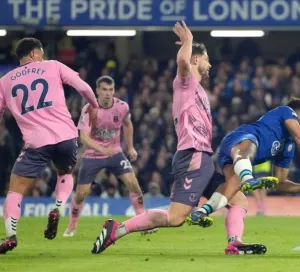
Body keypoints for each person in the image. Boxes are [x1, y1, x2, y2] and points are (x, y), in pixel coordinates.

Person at [90, 21, 265, 255]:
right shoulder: (185, 82)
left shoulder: (198, 89)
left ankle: (234, 242)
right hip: (193, 156)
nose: (210, 64)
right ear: (196, 59)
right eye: (206, 58)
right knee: (175, 218)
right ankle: (117, 230)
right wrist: (189, 41)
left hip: (202, 158)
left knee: (238, 200)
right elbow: (182, 61)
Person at [0, 37, 99, 254]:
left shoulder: (5, 81)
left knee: (15, 189)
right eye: (41, 53)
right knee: (65, 172)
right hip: (66, 136)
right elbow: (83, 87)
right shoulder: (53, 66)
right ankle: (57, 207)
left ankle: (11, 235)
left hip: (36, 142)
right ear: (35, 54)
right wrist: (94, 106)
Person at [188, 98, 300, 226]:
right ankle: (249, 179)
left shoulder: (287, 147)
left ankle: (201, 212)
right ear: (297, 113)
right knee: (251, 143)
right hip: (239, 139)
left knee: (232, 186)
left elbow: (279, 184)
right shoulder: (286, 111)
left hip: (237, 160)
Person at [63, 76, 153, 237]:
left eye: (111, 90)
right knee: (81, 193)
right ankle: (72, 225)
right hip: (92, 156)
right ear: (97, 91)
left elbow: (127, 123)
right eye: (104, 90)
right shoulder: (90, 109)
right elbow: (84, 137)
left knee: (134, 186)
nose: (108, 93)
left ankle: (142, 224)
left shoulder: (122, 107)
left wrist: (130, 147)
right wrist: (103, 151)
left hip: (116, 153)